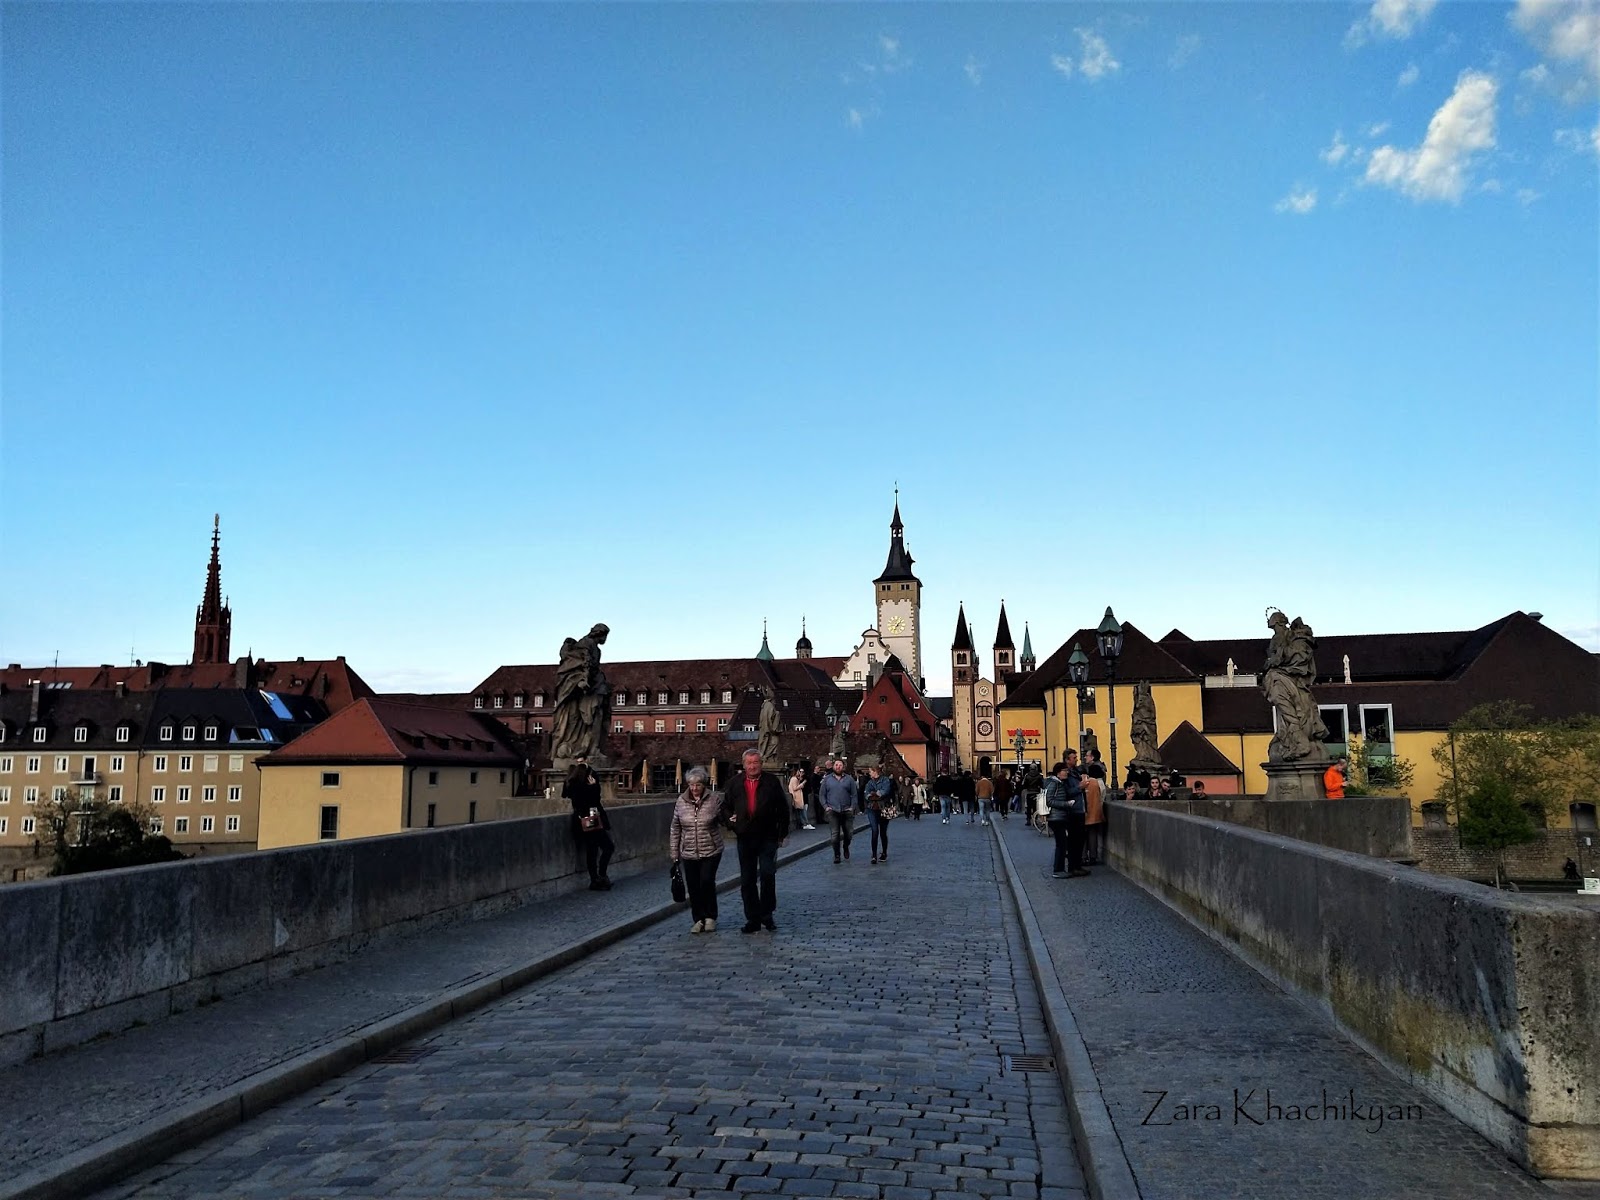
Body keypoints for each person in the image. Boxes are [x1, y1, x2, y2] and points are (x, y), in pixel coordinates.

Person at [720, 748, 789, 933]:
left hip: (768, 836)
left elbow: (783, 808)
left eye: (755, 762)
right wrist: (731, 823)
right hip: (745, 836)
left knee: (767, 874)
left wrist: (782, 834)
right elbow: (725, 807)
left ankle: (767, 914)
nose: (752, 766)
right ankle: (753, 918)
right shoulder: (734, 783)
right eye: (749, 763)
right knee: (747, 879)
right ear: (744, 765)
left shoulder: (771, 782)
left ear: (761, 764)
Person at [671, 766, 725, 933]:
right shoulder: (681, 801)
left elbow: (723, 819)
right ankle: (698, 919)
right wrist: (674, 853)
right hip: (688, 851)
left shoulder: (713, 799)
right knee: (693, 886)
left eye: (698, 785)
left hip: (711, 849)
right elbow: (675, 827)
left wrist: (734, 819)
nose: (694, 788)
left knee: (707, 881)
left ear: (704, 784)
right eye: (691, 785)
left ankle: (710, 917)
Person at [564, 760, 613, 890]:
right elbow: (594, 801)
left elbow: (567, 795)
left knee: (592, 851)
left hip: (582, 821)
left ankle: (595, 879)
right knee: (607, 847)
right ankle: (601, 876)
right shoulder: (584, 787)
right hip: (591, 819)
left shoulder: (572, 783)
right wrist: (594, 787)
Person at [1043, 751, 1088, 878]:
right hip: (1065, 814)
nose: (1076, 760)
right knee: (1066, 843)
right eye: (1074, 758)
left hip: (1072, 811)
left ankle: (1074, 866)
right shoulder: (1057, 782)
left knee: (1074, 841)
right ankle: (1063, 869)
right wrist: (1079, 788)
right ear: (1067, 760)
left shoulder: (1074, 773)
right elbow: (1056, 797)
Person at [819, 758, 860, 864]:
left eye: (840, 765)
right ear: (833, 766)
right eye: (836, 765)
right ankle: (837, 855)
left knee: (849, 833)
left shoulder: (849, 779)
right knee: (835, 834)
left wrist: (852, 807)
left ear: (843, 767)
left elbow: (854, 795)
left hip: (846, 810)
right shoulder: (827, 779)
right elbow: (822, 795)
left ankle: (846, 846)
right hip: (833, 810)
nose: (838, 767)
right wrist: (825, 806)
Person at [864, 766, 894, 864]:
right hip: (872, 808)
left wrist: (874, 794)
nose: (869, 773)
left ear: (875, 771)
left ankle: (884, 852)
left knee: (883, 832)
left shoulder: (885, 780)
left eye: (870, 771)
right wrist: (874, 795)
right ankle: (874, 855)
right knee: (874, 831)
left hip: (883, 808)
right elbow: (866, 794)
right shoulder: (870, 782)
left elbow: (884, 792)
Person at [1083, 771, 1105, 866]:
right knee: (1093, 835)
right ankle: (1093, 856)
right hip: (1094, 813)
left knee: (1083, 836)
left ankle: (1083, 856)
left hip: (1083, 813)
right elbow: (1101, 795)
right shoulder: (1096, 782)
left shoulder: (1081, 782)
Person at [788, 767, 811, 831]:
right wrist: (802, 784)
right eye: (798, 772)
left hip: (797, 796)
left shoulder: (794, 778)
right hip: (797, 796)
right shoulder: (794, 779)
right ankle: (806, 823)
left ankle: (804, 824)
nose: (799, 773)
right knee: (802, 810)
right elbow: (795, 788)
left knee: (800, 811)